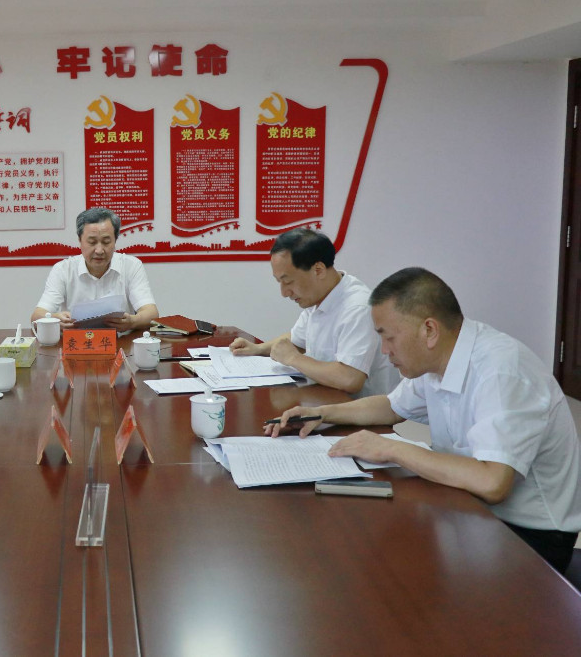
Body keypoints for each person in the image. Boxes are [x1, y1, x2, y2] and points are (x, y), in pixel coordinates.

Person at [269, 267, 581, 572]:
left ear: (429, 330)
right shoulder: (438, 357)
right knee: (368, 543)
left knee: (390, 565)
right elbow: (391, 406)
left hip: (530, 534)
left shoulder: (501, 372)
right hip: (470, 505)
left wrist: (392, 449)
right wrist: (323, 414)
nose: (384, 350)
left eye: (389, 338)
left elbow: (493, 483)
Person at [229, 228, 398, 396]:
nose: (284, 293)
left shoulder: (357, 308)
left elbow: (350, 379)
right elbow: (297, 339)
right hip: (324, 399)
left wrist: (294, 359)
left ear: (318, 270)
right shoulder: (319, 295)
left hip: (360, 409)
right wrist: (258, 348)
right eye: (279, 282)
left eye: (288, 281)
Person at [31, 207, 158, 332]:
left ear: (115, 241)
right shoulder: (63, 270)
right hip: (76, 343)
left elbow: (152, 314)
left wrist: (132, 322)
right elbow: (37, 316)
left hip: (121, 343)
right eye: (92, 242)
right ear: (80, 241)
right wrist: (55, 320)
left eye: (106, 242)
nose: (99, 250)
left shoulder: (131, 266)